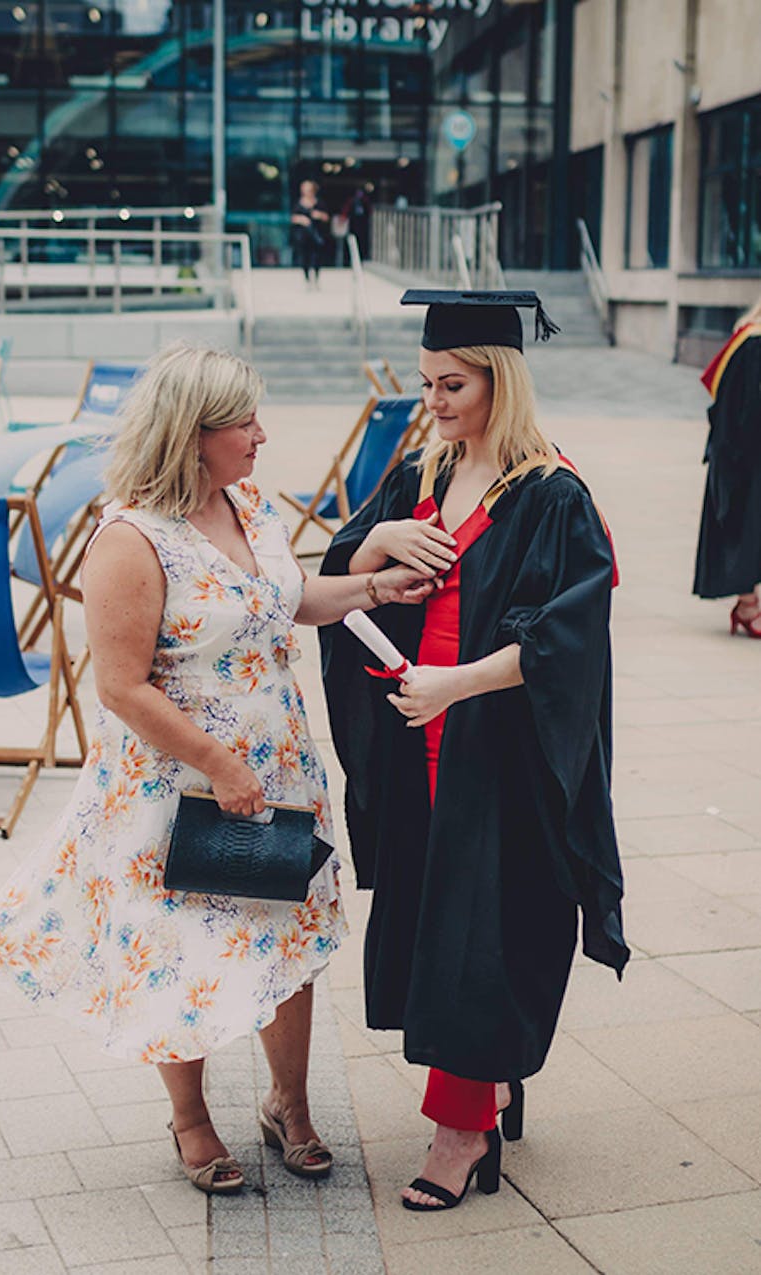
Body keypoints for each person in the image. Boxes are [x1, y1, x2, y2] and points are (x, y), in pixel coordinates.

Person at [0, 342, 433, 1196]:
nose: (262, 434)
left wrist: (371, 589)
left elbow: (285, 603)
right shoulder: (130, 536)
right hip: (174, 784)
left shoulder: (246, 502)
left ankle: (289, 1104)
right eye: (243, 422)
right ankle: (192, 1119)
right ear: (192, 435)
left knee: (284, 940)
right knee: (180, 952)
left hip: (275, 764)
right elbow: (121, 685)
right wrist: (218, 763)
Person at [319, 290, 629, 1212]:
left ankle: (462, 1132)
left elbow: (566, 640)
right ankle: (486, 1087)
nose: (435, 401)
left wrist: (455, 683)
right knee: (435, 929)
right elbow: (341, 567)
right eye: (426, 383)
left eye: (452, 384)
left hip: (496, 750)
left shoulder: (552, 494)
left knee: (477, 939)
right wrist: (376, 540)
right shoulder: (422, 472)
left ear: (501, 377)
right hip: (419, 741)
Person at [693, 297, 761, 634]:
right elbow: (748, 412)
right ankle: (748, 605)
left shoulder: (746, 340)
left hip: (742, 452)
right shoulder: (753, 345)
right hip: (746, 457)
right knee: (746, 527)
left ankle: (748, 603)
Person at [291, 179, 329, 288]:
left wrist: (319, 215)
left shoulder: (319, 202)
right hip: (303, 235)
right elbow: (292, 217)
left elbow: (326, 217)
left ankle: (316, 278)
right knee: (304, 256)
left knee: (316, 257)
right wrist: (301, 219)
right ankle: (307, 279)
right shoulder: (298, 202)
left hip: (316, 234)